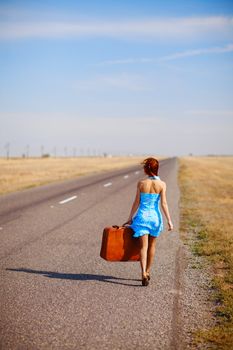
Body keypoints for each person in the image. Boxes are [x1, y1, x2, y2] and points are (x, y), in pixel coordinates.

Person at [125, 157, 173, 286]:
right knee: (152, 246)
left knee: (143, 247)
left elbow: (136, 202)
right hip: (155, 218)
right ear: (157, 169)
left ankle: (143, 274)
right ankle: (148, 270)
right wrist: (169, 220)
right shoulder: (162, 184)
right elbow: (164, 203)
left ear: (146, 169)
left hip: (142, 218)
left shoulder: (141, 183)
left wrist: (130, 217)